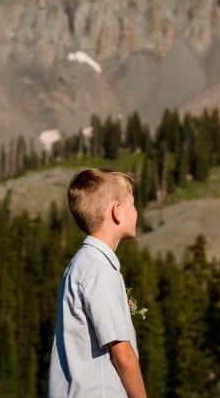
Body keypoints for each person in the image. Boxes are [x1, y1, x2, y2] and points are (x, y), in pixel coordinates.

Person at [49, 168, 146, 398]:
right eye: (132, 204)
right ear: (117, 211)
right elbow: (123, 354)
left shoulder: (82, 264)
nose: (136, 211)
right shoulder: (100, 272)